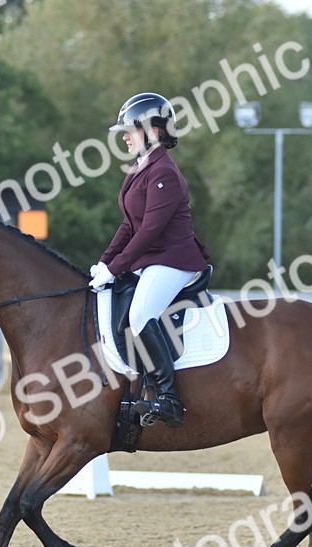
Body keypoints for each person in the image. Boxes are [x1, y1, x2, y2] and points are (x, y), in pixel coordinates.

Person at [88, 92, 210, 428]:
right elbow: (129, 225)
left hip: (174, 261)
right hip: (151, 261)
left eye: (130, 129)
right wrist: (104, 262)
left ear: (154, 131)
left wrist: (115, 269)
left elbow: (150, 232)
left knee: (140, 314)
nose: (124, 136)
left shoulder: (165, 173)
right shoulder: (139, 170)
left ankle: (168, 398)